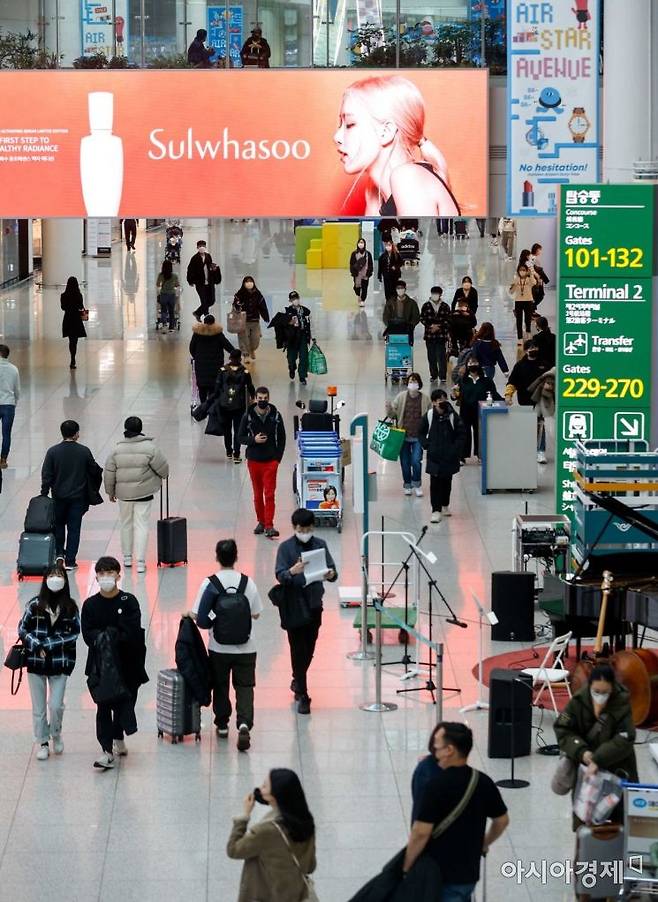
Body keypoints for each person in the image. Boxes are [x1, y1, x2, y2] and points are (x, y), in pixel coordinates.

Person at [404, 722, 509, 899]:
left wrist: (406, 867)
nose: (434, 753)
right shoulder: (482, 781)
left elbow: (420, 832)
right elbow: (502, 820)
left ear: (449, 750)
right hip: (467, 874)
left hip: (437, 875)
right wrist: (485, 842)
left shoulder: (435, 786)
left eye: (437, 748)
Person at [334, 74, 460, 217]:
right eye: (341, 125)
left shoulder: (408, 178)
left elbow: (412, 239)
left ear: (386, 132)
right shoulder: (375, 194)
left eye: (350, 124)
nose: (337, 137)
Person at [190, 539, 262, 751]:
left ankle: (222, 724)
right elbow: (256, 613)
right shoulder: (247, 583)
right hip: (246, 647)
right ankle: (243, 723)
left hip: (218, 648)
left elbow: (198, 615)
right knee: (245, 686)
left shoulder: (210, 583)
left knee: (220, 684)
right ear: (236, 557)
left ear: (217, 557)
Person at [81, 557, 148, 770]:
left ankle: (118, 735)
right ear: (97, 576)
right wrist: (108, 637)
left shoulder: (129, 602)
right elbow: (88, 634)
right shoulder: (90, 605)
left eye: (110, 573)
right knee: (103, 706)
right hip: (101, 667)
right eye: (101, 573)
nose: (106, 577)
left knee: (124, 703)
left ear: (118, 575)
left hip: (128, 665)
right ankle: (106, 750)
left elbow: (131, 631)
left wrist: (107, 635)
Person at [554, 664, 638, 830]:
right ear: (589, 686)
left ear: (612, 688)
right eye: (596, 691)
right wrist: (582, 752)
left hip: (617, 771)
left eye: (605, 692)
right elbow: (563, 729)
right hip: (586, 775)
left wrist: (598, 759)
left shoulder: (622, 703)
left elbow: (625, 738)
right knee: (585, 820)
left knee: (617, 823)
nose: (600, 696)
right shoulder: (578, 702)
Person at [275, 509, 337, 715]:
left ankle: (297, 678)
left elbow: (332, 570)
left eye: (309, 529)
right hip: (293, 606)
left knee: (309, 647)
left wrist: (330, 574)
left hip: (313, 604)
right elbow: (280, 574)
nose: (306, 532)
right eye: (302, 529)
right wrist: (292, 571)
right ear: (294, 528)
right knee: (296, 648)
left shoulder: (320, 545)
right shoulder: (285, 548)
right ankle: (303, 693)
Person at [18, 566, 80, 761]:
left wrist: (48, 644)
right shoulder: (34, 605)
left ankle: (56, 732)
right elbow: (22, 628)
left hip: (60, 663)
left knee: (56, 705)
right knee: (39, 708)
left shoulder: (70, 607)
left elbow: (74, 633)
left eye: (59, 575)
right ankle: (42, 741)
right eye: (52, 575)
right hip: (36, 663)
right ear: (45, 579)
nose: (55, 579)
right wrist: (36, 645)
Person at [227, 768, 316, 902]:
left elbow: (233, 850)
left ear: (274, 796)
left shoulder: (265, 832)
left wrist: (244, 816)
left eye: (264, 786)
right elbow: (310, 866)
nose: (260, 788)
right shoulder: (306, 822)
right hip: (296, 895)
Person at [103, 416, 169, 573]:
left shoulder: (116, 450)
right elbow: (164, 470)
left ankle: (127, 557)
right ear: (140, 429)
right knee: (141, 525)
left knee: (125, 523)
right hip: (144, 493)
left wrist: (110, 492)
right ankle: (140, 562)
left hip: (123, 495)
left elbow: (109, 473)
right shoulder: (150, 448)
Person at [41, 420, 101, 571]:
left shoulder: (53, 451)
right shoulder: (84, 451)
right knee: (74, 528)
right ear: (76, 434)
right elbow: (94, 470)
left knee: (58, 525)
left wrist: (44, 493)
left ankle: (59, 554)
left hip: (58, 497)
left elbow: (47, 474)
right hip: (78, 498)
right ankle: (70, 561)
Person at [238, 386, 286, 539]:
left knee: (270, 494)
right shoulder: (248, 416)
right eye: (260, 399)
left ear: (268, 399)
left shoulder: (276, 416)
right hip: (254, 461)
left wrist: (277, 458)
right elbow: (240, 437)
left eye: (265, 399)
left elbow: (282, 437)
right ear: (255, 399)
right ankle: (261, 521)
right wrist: (253, 440)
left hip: (270, 461)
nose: (262, 401)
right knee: (258, 495)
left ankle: (269, 525)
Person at [419, 390, 467, 522]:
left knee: (447, 482)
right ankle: (435, 510)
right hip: (434, 456)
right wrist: (426, 445)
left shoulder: (453, 416)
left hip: (449, 457)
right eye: (438, 400)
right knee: (434, 484)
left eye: (443, 399)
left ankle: (445, 504)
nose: (441, 402)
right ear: (433, 402)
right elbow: (421, 432)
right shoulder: (429, 416)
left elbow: (462, 434)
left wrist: (455, 449)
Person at [387, 373, 430, 497]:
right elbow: (392, 414)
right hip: (403, 436)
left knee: (416, 461)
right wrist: (389, 408)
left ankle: (416, 484)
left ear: (419, 383)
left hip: (418, 437)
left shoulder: (425, 399)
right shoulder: (401, 397)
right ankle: (407, 484)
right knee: (405, 462)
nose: (413, 383)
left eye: (415, 381)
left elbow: (430, 415)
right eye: (411, 381)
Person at [505, 340, 549, 464]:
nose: (533, 349)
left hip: (540, 400)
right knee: (527, 426)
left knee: (540, 425)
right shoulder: (520, 366)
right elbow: (512, 382)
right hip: (524, 401)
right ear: (525, 351)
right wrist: (508, 395)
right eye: (530, 348)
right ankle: (527, 449)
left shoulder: (544, 364)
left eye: (535, 347)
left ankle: (541, 451)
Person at [211, 348, 256, 462]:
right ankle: (237, 454)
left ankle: (228, 451)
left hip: (225, 405)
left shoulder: (222, 370)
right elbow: (250, 387)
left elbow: (217, 389)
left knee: (227, 430)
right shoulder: (244, 372)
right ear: (240, 358)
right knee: (238, 430)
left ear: (230, 358)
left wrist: (214, 400)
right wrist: (253, 398)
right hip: (239, 405)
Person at [454, 362, 501, 461]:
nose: (473, 365)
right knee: (464, 433)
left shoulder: (486, 381)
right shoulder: (463, 380)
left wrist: (504, 400)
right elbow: (456, 394)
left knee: (480, 432)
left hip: (481, 410)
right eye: (470, 363)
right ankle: (462, 456)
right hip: (465, 410)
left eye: (475, 363)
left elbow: (494, 393)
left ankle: (480, 455)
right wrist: (453, 394)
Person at [189, 314, 235, 404]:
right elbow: (228, 346)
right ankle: (212, 407)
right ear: (214, 323)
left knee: (201, 386)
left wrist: (197, 357)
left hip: (201, 365)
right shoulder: (218, 334)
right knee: (214, 387)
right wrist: (235, 354)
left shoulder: (197, 334)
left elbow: (191, 348)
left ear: (204, 322)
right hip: (216, 366)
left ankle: (203, 405)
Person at [232, 275, 270, 364]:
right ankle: (245, 355)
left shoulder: (258, 294)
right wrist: (238, 305)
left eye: (251, 281)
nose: (249, 283)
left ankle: (252, 349)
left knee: (255, 340)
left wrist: (265, 316)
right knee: (243, 339)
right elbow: (235, 305)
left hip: (255, 321)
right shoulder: (239, 294)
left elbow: (262, 305)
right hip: (243, 320)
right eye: (247, 281)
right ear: (244, 283)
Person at [419, 286, 451, 383]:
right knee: (431, 356)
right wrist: (430, 326)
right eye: (433, 293)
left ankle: (442, 376)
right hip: (430, 335)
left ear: (440, 294)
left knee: (441, 356)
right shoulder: (426, 305)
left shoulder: (445, 306)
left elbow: (449, 319)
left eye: (437, 293)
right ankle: (433, 375)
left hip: (441, 335)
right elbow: (422, 318)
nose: (435, 295)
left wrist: (439, 326)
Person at [186, 240, 222, 321]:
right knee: (204, 301)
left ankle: (198, 313)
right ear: (197, 248)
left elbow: (210, 267)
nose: (201, 247)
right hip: (200, 283)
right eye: (200, 246)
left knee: (211, 300)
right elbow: (190, 270)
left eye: (203, 246)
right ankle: (206, 316)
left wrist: (214, 269)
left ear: (205, 247)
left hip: (209, 282)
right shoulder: (194, 258)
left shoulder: (208, 256)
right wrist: (190, 281)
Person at [284, 291, 311, 385]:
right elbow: (282, 325)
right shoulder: (287, 311)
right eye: (293, 299)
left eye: (296, 298)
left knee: (304, 357)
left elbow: (310, 324)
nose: (295, 300)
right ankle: (292, 368)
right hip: (292, 337)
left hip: (303, 335)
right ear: (290, 300)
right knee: (291, 357)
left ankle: (302, 376)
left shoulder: (306, 311)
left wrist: (313, 337)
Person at [0, 343, 20, 469]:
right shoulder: (14, 369)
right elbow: (17, 390)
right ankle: (3, 460)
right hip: (9, 405)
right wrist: (14, 402)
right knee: (6, 434)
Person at [382, 280, 420, 346]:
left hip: (407, 330)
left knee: (406, 350)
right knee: (394, 350)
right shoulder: (390, 302)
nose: (400, 290)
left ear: (405, 289)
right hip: (393, 330)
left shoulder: (412, 303)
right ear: (396, 290)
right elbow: (385, 315)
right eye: (398, 288)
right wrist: (389, 325)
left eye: (402, 288)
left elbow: (416, 316)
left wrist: (410, 325)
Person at [60, 276, 87, 370]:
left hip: (68, 318)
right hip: (76, 319)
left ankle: (72, 358)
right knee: (75, 341)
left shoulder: (63, 295)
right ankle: (73, 359)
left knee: (71, 340)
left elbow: (63, 307)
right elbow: (81, 306)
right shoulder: (79, 295)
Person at [509, 262, 537, 343]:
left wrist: (531, 274)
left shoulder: (529, 279)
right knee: (519, 320)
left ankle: (528, 333)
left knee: (528, 319)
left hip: (528, 301)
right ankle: (520, 337)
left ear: (526, 271)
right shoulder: (516, 279)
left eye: (524, 270)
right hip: (518, 301)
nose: (522, 271)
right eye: (520, 270)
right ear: (518, 271)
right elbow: (511, 292)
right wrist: (514, 285)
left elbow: (534, 283)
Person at [156, 259, 180, 332]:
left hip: (163, 294)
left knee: (163, 310)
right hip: (172, 295)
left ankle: (164, 325)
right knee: (171, 311)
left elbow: (157, 284)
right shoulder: (174, 276)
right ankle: (171, 327)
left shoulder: (160, 275)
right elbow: (177, 284)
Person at [349, 238, 374, 307]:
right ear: (357, 244)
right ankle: (358, 295)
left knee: (364, 287)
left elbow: (371, 264)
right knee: (356, 287)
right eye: (359, 242)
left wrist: (369, 272)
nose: (361, 244)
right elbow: (351, 264)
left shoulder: (368, 254)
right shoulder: (354, 254)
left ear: (364, 244)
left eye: (362, 242)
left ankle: (362, 300)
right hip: (357, 274)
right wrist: (352, 272)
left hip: (365, 274)